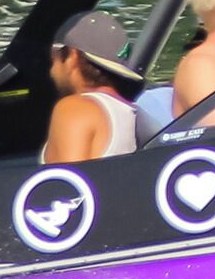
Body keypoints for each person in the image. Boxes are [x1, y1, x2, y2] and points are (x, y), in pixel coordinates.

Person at [43, 10, 148, 165]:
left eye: (54, 55)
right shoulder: (132, 112)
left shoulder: (76, 109)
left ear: (73, 56)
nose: (51, 68)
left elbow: (68, 185)